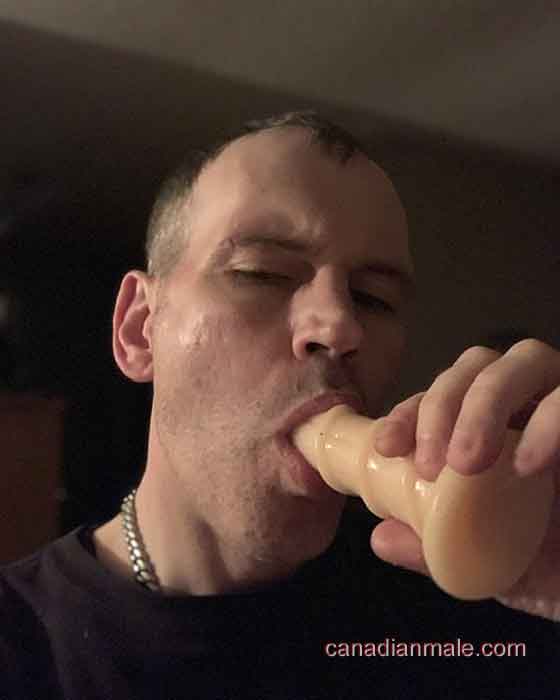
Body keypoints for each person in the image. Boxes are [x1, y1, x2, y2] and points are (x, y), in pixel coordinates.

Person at [1, 111, 559, 699]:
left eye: (373, 298)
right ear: (140, 329)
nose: (340, 326)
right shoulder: (20, 647)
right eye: (262, 273)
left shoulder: (479, 603)